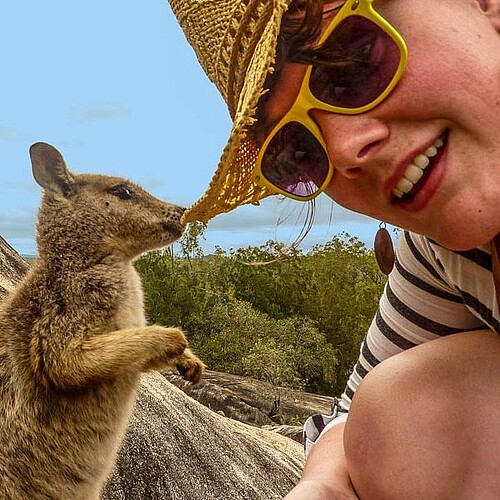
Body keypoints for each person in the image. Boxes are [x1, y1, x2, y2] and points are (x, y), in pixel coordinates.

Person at [167, 0, 500, 498]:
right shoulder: (442, 252)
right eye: (299, 149)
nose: (344, 151)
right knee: (397, 411)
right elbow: (348, 415)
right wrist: (322, 486)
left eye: (354, 62)